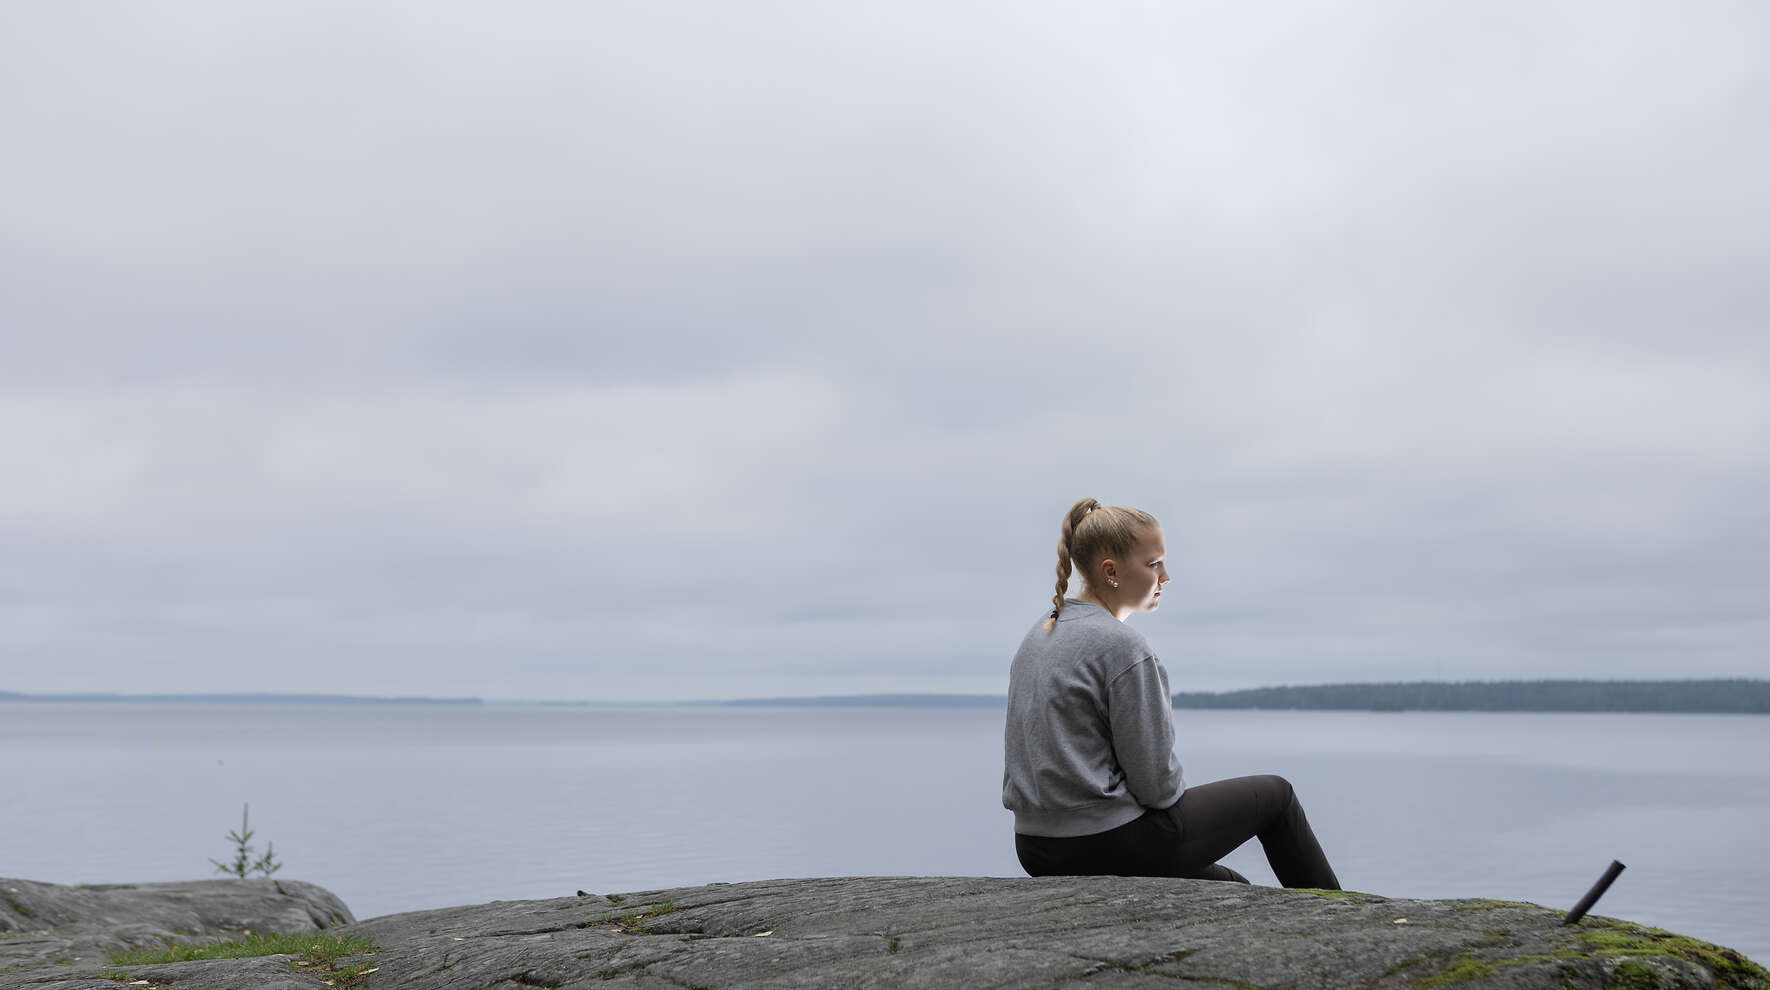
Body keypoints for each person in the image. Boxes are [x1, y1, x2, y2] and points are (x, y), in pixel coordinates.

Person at [1002, 497, 1341, 889]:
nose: (1165, 577)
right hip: (1106, 842)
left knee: (1229, 886)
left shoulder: (1039, 633)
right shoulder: (1122, 647)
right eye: (1153, 564)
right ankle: (1344, 918)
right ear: (1111, 571)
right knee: (1277, 796)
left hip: (1035, 847)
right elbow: (1157, 788)